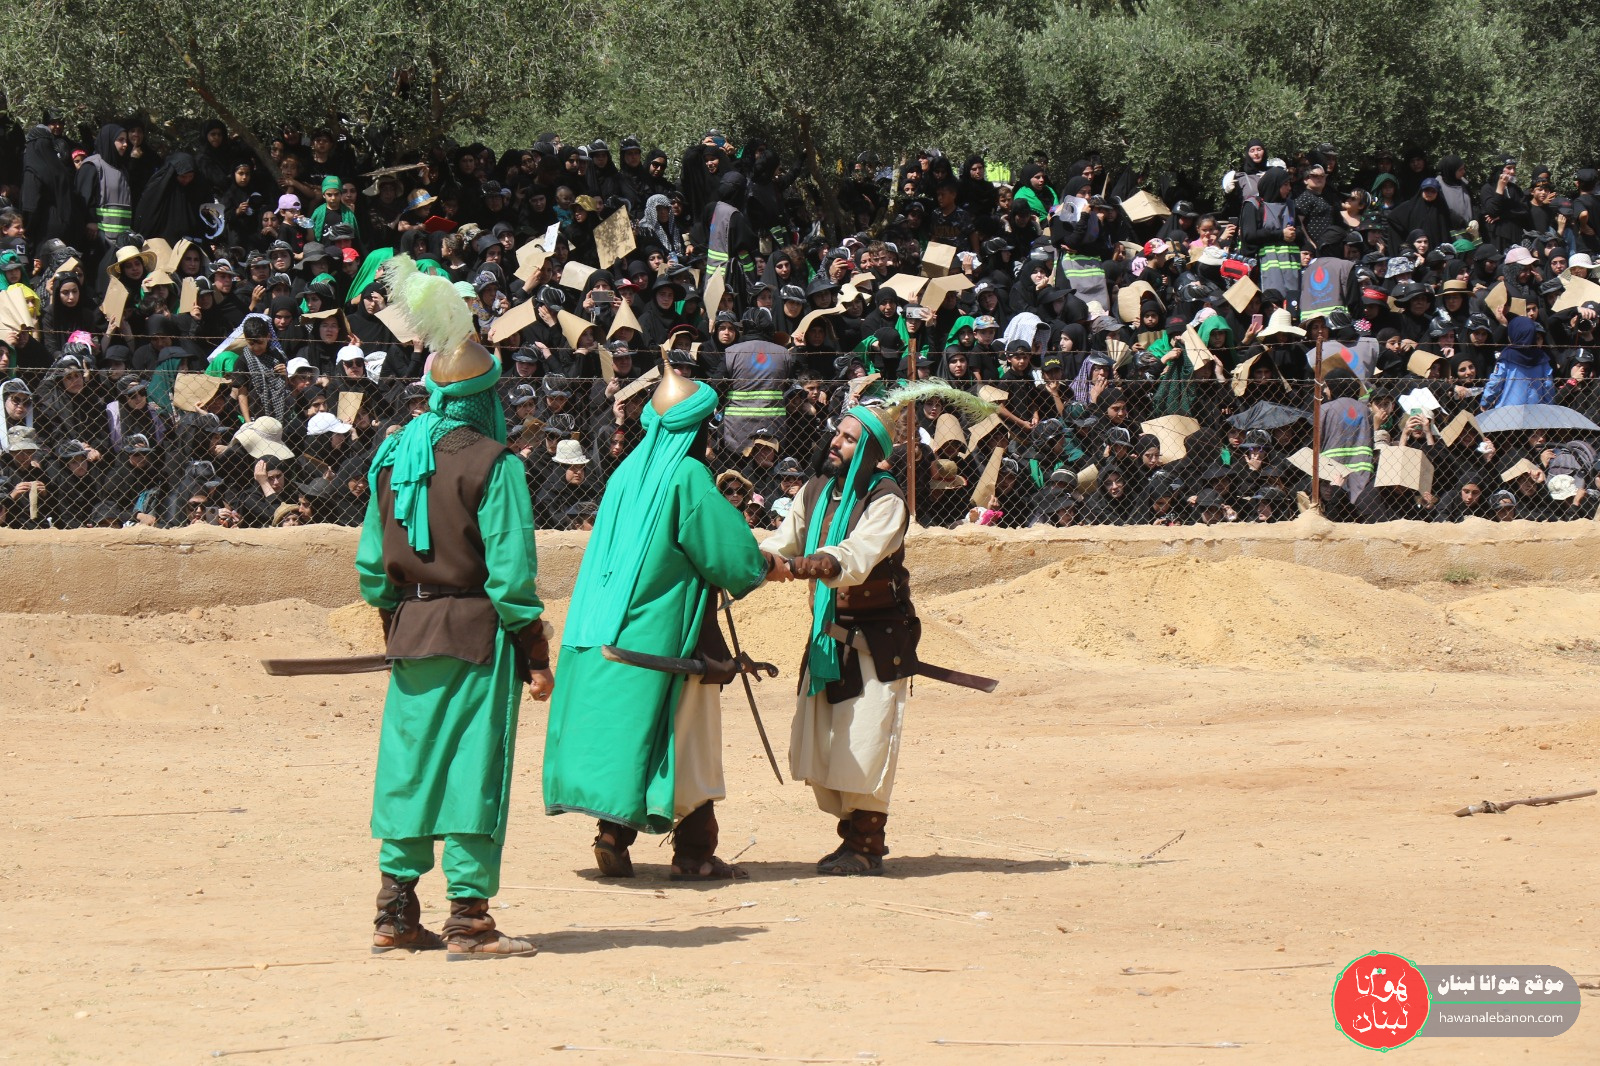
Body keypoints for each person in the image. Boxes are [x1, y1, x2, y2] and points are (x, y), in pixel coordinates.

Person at [353, 256, 554, 960]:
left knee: (409, 768)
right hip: (476, 636)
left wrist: (396, 621)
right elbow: (511, 578)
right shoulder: (496, 463)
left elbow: (372, 567)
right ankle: (468, 921)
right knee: (473, 770)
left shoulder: (391, 456)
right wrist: (535, 653)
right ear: (486, 396)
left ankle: (394, 914)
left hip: (411, 632)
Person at [543, 364, 781, 881]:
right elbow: (731, 557)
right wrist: (764, 564)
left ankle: (612, 835)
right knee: (687, 737)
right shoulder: (687, 475)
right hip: (664, 634)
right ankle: (695, 853)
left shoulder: (625, 472)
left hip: (602, 627)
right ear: (695, 430)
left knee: (630, 734)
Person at [757, 385, 968, 875]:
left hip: (876, 643)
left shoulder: (887, 500)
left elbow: (855, 557)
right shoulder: (814, 490)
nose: (836, 442)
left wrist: (804, 566)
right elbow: (782, 541)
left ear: (872, 452)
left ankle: (866, 845)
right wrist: (749, 562)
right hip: (826, 636)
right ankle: (850, 837)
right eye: (838, 433)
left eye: (850, 439)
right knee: (825, 745)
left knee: (865, 742)